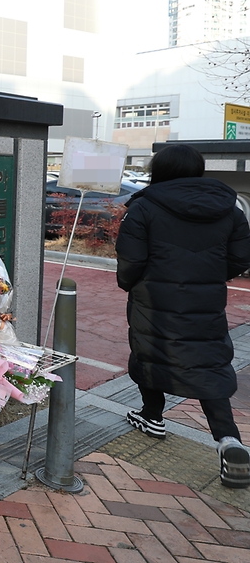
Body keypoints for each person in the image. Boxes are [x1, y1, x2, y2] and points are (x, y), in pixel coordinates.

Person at [116, 144, 250, 489]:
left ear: (158, 170)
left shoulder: (144, 207)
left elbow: (130, 262)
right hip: (206, 301)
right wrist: (208, 276)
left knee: (150, 351)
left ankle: (152, 416)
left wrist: (132, 283)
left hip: (154, 298)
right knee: (207, 362)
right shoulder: (229, 208)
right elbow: (240, 258)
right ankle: (229, 440)